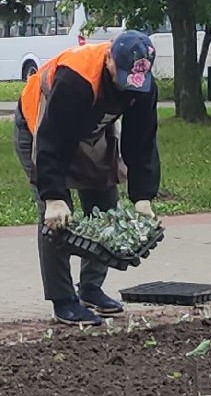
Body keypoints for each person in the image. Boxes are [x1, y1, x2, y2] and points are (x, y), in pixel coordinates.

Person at [14, 31, 162, 325]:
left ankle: (91, 288)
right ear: (108, 58)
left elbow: (141, 140)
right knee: (56, 222)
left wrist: (143, 196)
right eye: (121, 77)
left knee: (105, 204)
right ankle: (63, 300)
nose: (128, 88)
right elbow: (51, 140)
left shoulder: (142, 83)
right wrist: (54, 197)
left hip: (91, 133)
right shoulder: (76, 78)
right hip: (39, 130)